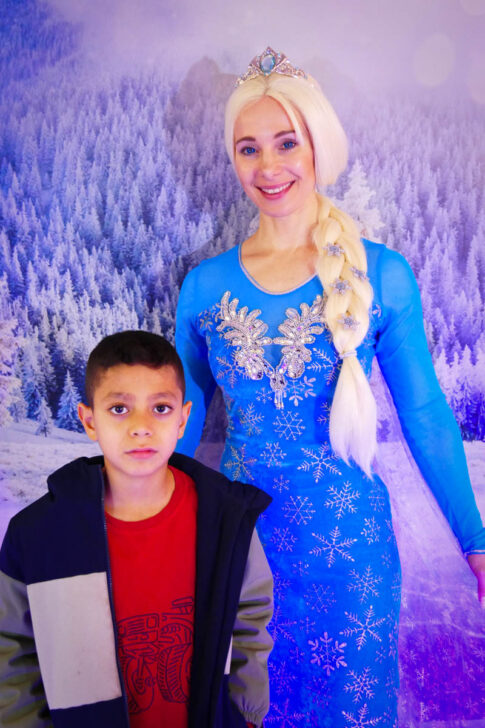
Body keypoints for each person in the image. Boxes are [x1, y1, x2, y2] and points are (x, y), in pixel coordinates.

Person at [175, 47, 485, 727]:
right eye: (248, 148)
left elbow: (425, 414)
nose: (268, 166)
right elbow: (181, 424)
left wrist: (476, 540)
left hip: (353, 565)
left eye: (286, 142)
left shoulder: (384, 274)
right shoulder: (203, 287)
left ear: (318, 142)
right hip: (241, 555)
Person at [0, 330, 273, 728]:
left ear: (183, 419)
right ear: (89, 421)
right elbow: (13, 655)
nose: (141, 427)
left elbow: (250, 621)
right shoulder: (37, 536)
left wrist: (245, 716)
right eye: (119, 409)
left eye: (160, 408)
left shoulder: (226, 519)